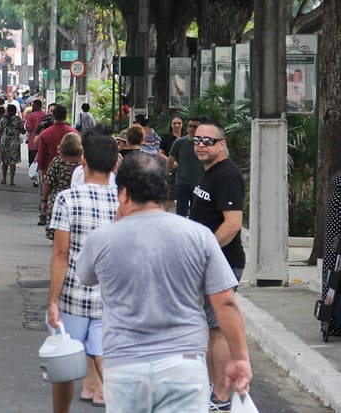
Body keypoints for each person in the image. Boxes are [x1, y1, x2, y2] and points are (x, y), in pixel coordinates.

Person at [76, 154, 252, 411]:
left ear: (123, 194)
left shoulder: (101, 240)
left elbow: (85, 276)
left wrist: (117, 220)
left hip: (125, 365)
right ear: (164, 193)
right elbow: (225, 302)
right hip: (183, 365)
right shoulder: (199, 236)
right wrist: (240, 358)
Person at [48, 132, 119, 410]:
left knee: (65, 363)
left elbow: (60, 253)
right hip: (110, 299)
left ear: (84, 161)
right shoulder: (124, 201)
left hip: (73, 298)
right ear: (116, 165)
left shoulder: (68, 199)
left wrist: (53, 300)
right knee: (105, 359)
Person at [188, 118, 245, 411]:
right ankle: (215, 390)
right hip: (206, 263)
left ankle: (221, 397)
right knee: (211, 330)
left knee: (218, 329)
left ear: (222, 145)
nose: (201, 145)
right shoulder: (208, 172)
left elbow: (233, 224)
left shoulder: (228, 176)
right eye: (197, 139)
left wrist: (205, 253)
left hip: (223, 263)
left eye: (208, 141)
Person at [42, 133, 82, 242]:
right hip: (78, 200)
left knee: (57, 233)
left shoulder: (57, 161)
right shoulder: (83, 162)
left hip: (57, 199)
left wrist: (44, 200)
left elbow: (48, 182)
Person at [167, 117, 202, 216]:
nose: (192, 128)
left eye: (195, 127)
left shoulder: (203, 144)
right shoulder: (179, 142)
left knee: (197, 212)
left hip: (199, 183)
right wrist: (168, 174)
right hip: (182, 182)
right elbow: (171, 159)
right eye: (190, 126)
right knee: (181, 212)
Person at [322, 170, 341, 338]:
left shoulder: (336, 183)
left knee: (332, 281)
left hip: (333, 243)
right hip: (337, 241)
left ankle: (330, 321)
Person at [0, 103, 24, 185]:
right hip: (15, 142)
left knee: (4, 162)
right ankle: (11, 180)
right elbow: (23, 130)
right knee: (13, 162)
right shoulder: (18, 119)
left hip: (4, 142)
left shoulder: (3, 119)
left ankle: (4, 179)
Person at [25, 99, 45, 167]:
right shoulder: (45, 115)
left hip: (32, 141)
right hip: (43, 140)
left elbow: (28, 127)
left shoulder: (31, 115)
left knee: (32, 162)